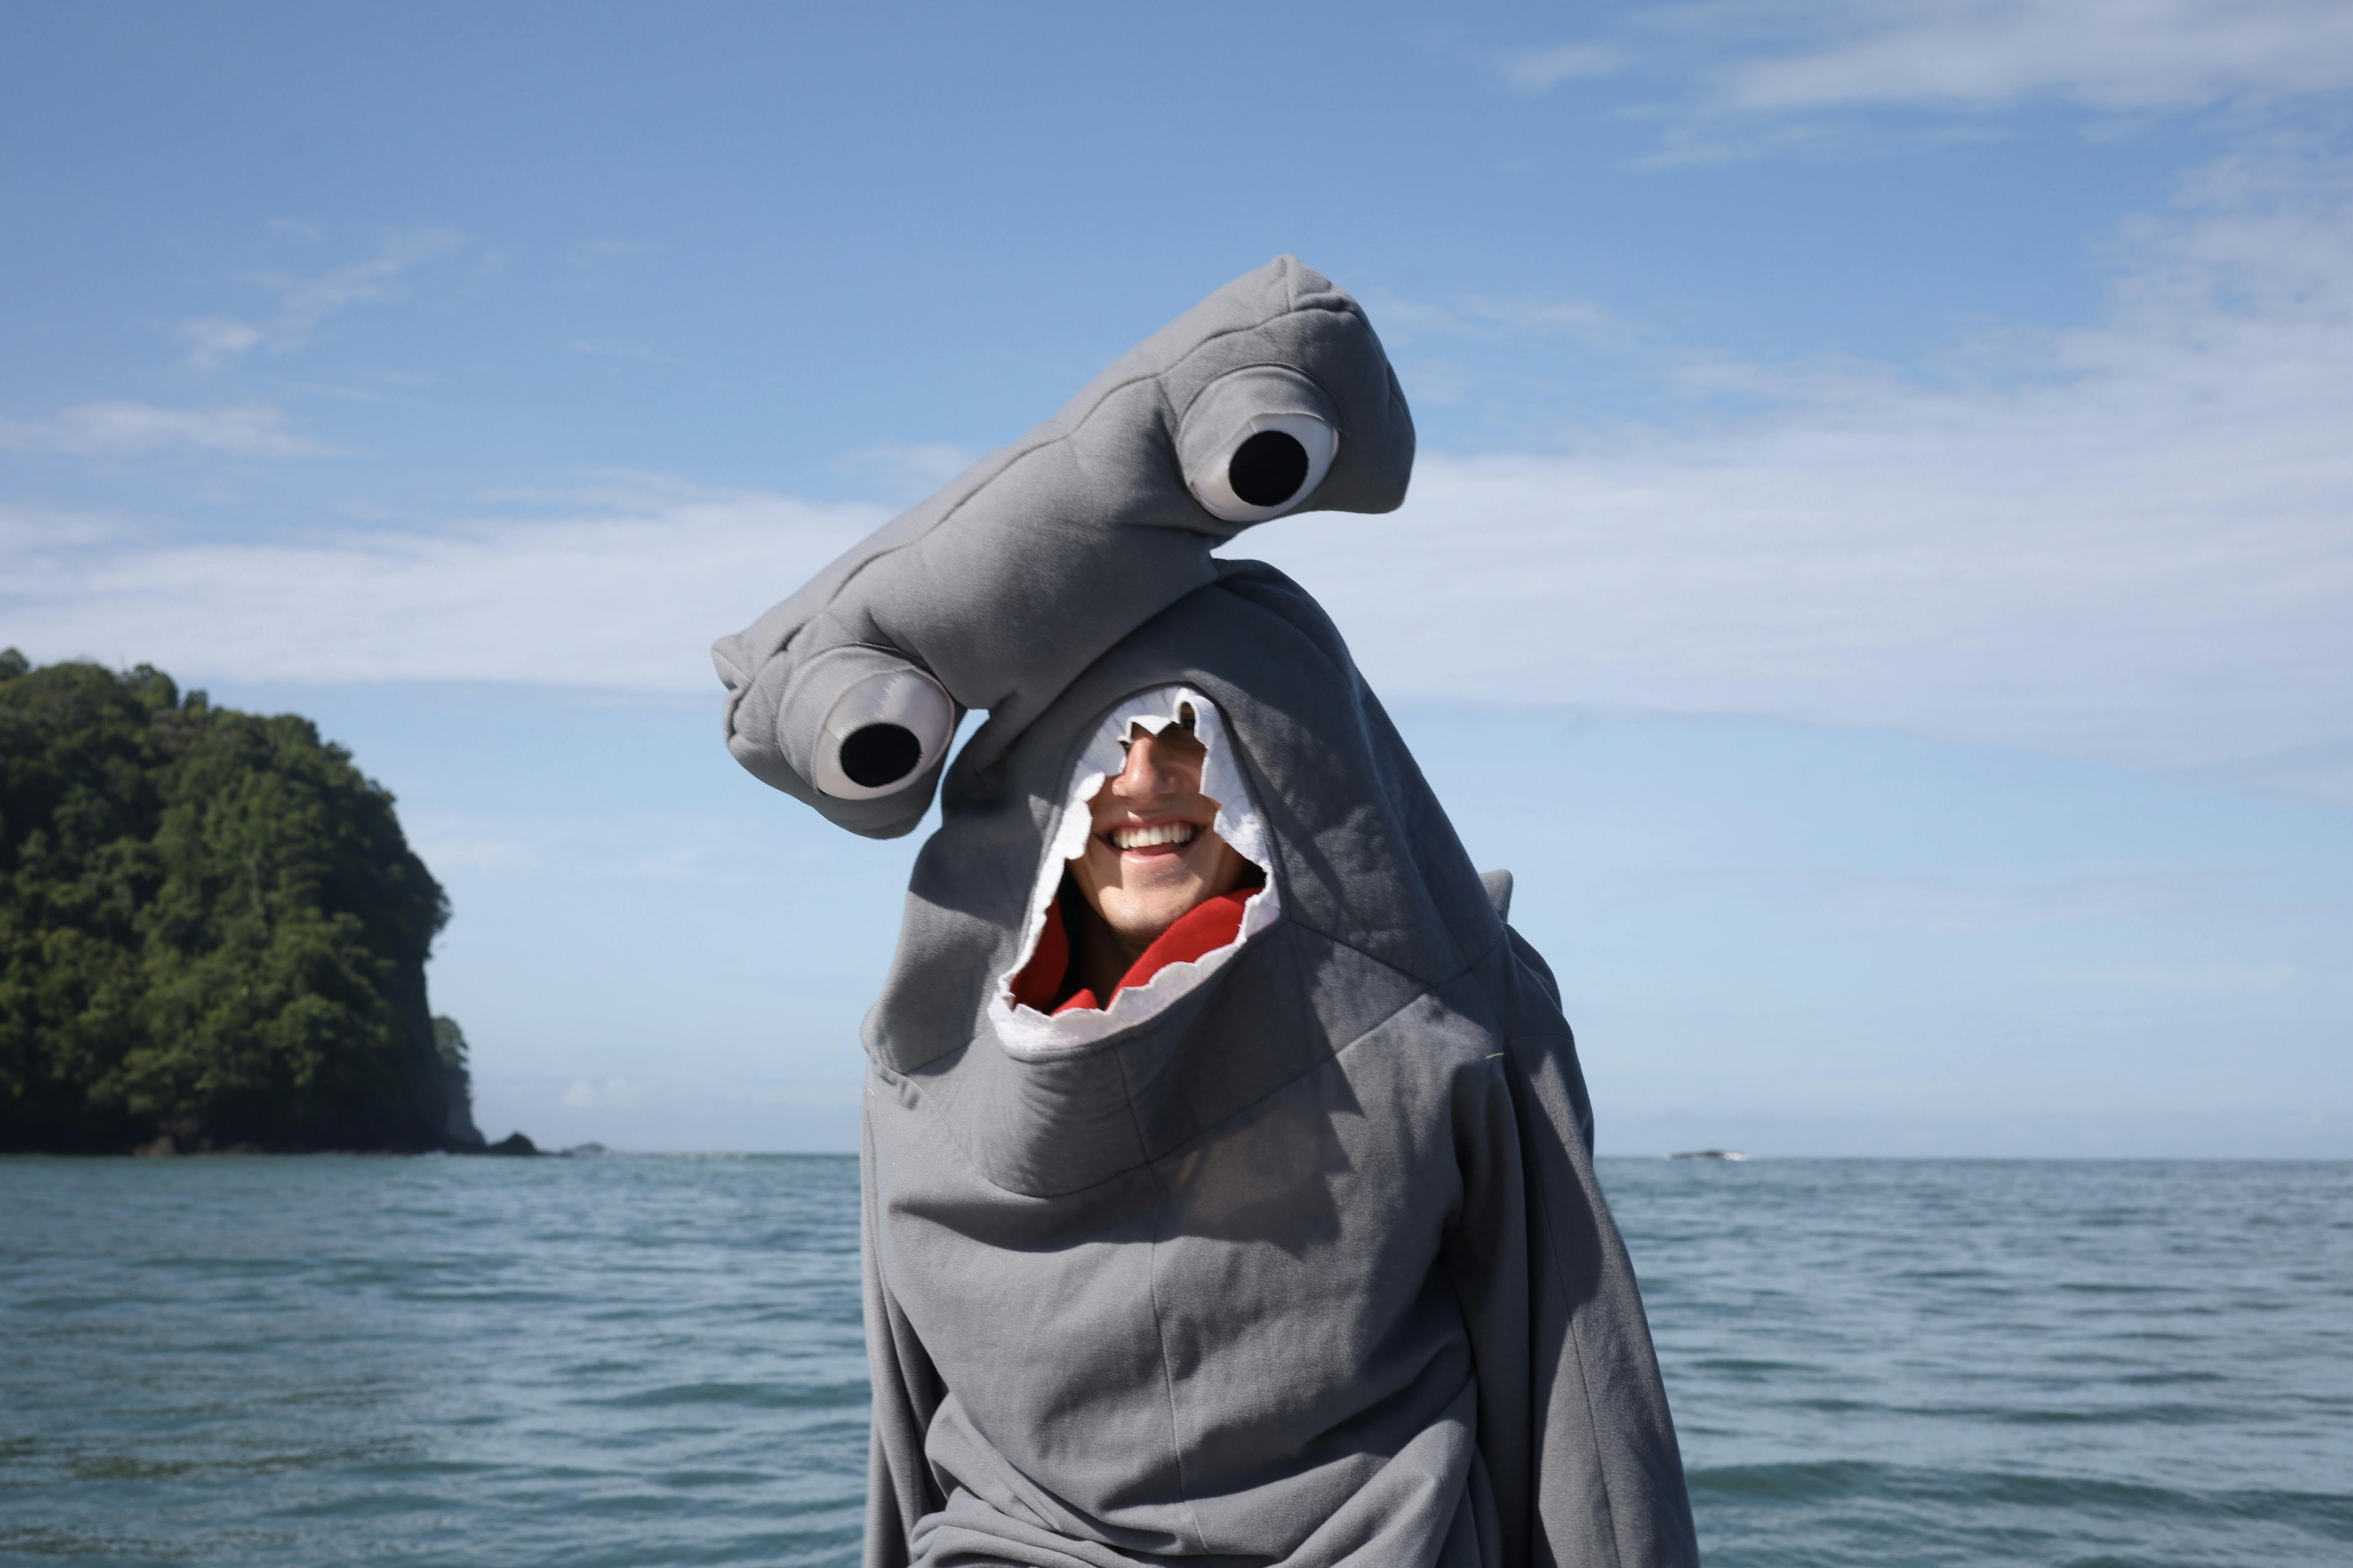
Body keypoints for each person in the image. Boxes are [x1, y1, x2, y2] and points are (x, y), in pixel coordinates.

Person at [714, 257, 1700, 1568]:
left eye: (1195, 745)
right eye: (1114, 755)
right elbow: (1585, 1408)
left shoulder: (928, 1087)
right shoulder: (933, 1080)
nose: (1148, 785)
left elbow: (1579, 1378)